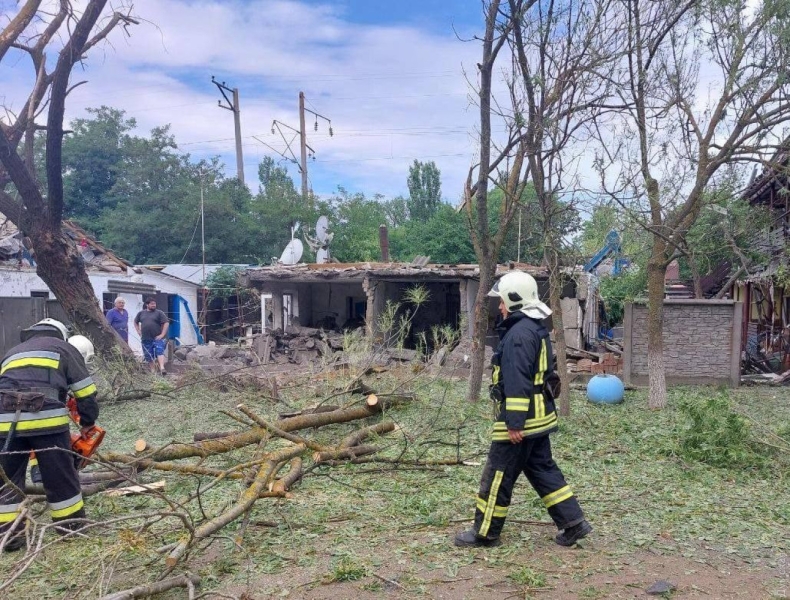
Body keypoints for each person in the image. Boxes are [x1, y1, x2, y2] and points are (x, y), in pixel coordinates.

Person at [454, 271, 592, 548]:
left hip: (522, 422)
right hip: (539, 417)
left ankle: (485, 534)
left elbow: (517, 381)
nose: (500, 307)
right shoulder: (532, 328)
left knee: (497, 476)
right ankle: (574, 523)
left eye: (502, 302)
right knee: (542, 469)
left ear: (514, 300)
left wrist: (513, 422)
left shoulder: (518, 335)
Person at [0, 319, 99, 552]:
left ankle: (11, 538)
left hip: (4, 422)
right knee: (59, 476)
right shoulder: (64, 348)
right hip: (46, 420)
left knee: (7, 481)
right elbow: (85, 392)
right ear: (61, 335)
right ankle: (71, 527)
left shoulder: (12, 352)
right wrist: (88, 422)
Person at [134, 297, 169, 375]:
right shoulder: (141, 313)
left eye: (154, 304)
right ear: (147, 304)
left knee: (159, 351)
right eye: (152, 304)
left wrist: (162, 334)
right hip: (146, 338)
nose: (154, 305)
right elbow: (135, 322)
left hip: (157, 337)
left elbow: (166, 323)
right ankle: (153, 371)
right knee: (148, 355)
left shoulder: (159, 313)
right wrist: (138, 331)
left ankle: (162, 368)